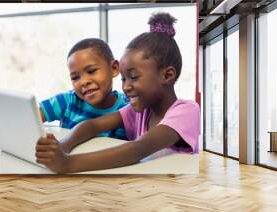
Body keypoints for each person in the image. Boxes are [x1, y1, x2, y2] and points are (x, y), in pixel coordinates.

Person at [36, 12, 200, 173]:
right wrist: (62, 146)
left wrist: (67, 164)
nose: (126, 86)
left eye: (134, 77)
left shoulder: (187, 111)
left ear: (167, 75)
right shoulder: (139, 111)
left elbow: (137, 149)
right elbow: (91, 126)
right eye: (123, 79)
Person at [39, 38, 128, 140]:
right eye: (75, 78)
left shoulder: (128, 108)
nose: (84, 82)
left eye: (91, 71)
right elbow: (30, 118)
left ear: (114, 68)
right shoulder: (67, 101)